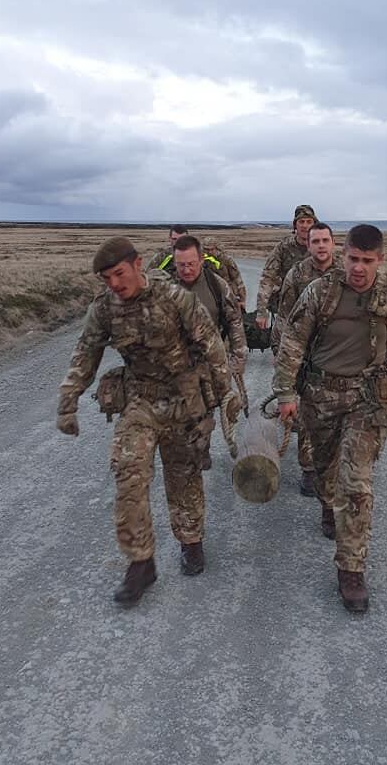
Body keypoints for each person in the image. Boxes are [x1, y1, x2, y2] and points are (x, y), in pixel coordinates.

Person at [56, 236, 237, 607]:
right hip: (141, 399)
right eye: (106, 278)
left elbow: (211, 346)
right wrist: (68, 401)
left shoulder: (175, 298)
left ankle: (190, 542)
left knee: (183, 474)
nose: (114, 284)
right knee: (128, 471)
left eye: (119, 274)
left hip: (184, 399)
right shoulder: (106, 307)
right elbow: (86, 350)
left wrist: (223, 398)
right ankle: (140, 561)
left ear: (137, 265)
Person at [272, 224, 387, 614]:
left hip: (369, 396)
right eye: (353, 259)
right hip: (320, 396)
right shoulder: (320, 292)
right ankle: (327, 503)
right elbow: (293, 342)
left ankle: (351, 569)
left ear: (380, 259)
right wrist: (287, 392)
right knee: (325, 469)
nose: (359, 268)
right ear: (344, 255)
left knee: (356, 481)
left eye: (367, 261)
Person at [270, 222, 343, 497]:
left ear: (333, 243)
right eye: (316, 241)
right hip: (305, 354)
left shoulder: (346, 274)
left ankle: (337, 467)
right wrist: (281, 354)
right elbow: (285, 317)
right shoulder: (297, 274)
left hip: (338, 354)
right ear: (308, 245)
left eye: (326, 240)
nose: (321, 246)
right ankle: (309, 469)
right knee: (308, 415)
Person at [172, 235, 247, 469]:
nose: (186, 269)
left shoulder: (217, 285)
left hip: (210, 360)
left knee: (207, 408)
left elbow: (234, 321)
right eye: (181, 264)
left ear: (202, 259)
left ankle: (201, 448)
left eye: (191, 263)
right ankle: (185, 450)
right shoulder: (164, 287)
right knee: (179, 411)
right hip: (176, 363)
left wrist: (239, 355)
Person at [255, 205, 317, 329]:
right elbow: (268, 278)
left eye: (309, 222)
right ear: (295, 225)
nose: (305, 225)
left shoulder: (321, 247)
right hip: (287, 310)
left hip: (315, 309)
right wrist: (261, 311)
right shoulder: (283, 248)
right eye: (301, 222)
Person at [201, 236, 247, 310]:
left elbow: (237, 279)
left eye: (212, 249)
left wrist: (242, 300)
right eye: (206, 249)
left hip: (228, 296)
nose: (209, 252)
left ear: (216, 248)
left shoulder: (226, 260)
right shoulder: (200, 260)